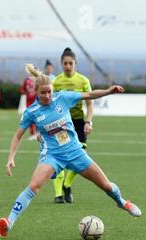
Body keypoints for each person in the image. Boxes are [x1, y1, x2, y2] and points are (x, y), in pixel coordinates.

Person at [0, 64, 141, 237]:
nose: (47, 95)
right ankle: (9, 221)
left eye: (49, 91)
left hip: (75, 152)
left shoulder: (62, 98)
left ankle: (122, 202)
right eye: (43, 92)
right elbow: (18, 136)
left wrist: (109, 91)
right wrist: (10, 158)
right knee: (33, 187)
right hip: (52, 156)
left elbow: (89, 94)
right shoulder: (31, 112)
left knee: (106, 185)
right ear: (36, 92)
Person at [52, 48, 93, 204]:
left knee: (80, 157)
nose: (68, 66)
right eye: (65, 63)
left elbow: (90, 104)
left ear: (76, 64)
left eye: (71, 63)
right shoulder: (56, 82)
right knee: (61, 156)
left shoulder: (83, 81)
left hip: (78, 122)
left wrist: (88, 122)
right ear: (61, 64)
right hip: (61, 123)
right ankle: (58, 194)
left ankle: (67, 185)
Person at [19, 73, 37, 141]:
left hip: (37, 102)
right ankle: (32, 134)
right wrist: (25, 92)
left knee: (38, 118)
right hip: (29, 103)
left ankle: (38, 133)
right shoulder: (26, 80)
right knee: (30, 118)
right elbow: (22, 89)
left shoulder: (37, 79)